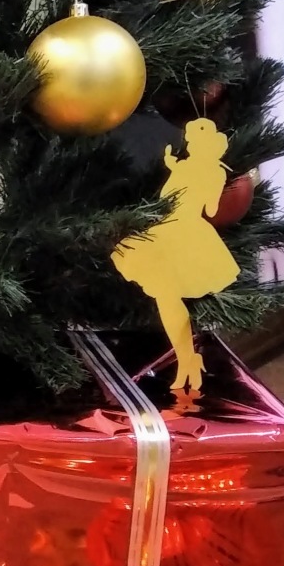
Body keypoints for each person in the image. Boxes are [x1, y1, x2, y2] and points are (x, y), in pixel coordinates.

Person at [111, 118, 242, 392]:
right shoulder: (214, 172)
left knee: (167, 296)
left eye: (191, 142)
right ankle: (187, 359)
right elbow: (211, 210)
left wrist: (180, 172)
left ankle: (186, 360)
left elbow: (166, 199)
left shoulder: (187, 168)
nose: (189, 145)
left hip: (173, 232)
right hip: (188, 229)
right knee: (168, 297)